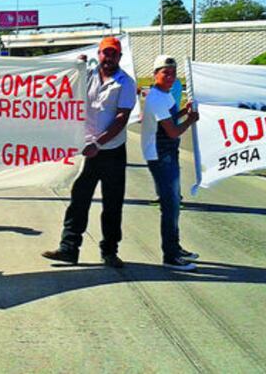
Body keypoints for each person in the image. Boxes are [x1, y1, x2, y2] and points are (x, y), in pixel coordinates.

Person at [42, 36, 135, 267]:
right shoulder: (88, 75)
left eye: (113, 54)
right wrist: (75, 68)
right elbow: (66, 95)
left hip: (111, 150)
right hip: (86, 150)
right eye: (105, 53)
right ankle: (69, 248)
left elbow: (121, 118)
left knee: (112, 204)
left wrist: (99, 144)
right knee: (79, 200)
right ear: (99, 55)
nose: (109, 58)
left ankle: (110, 251)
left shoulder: (126, 83)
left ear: (120, 57)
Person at [141, 55, 200, 271]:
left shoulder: (165, 95)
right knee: (170, 205)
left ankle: (175, 246)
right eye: (165, 72)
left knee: (174, 204)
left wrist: (184, 111)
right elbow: (173, 132)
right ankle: (170, 255)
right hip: (160, 155)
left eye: (173, 73)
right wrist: (191, 119)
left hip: (168, 154)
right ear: (155, 74)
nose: (170, 77)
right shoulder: (156, 98)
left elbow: (170, 119)